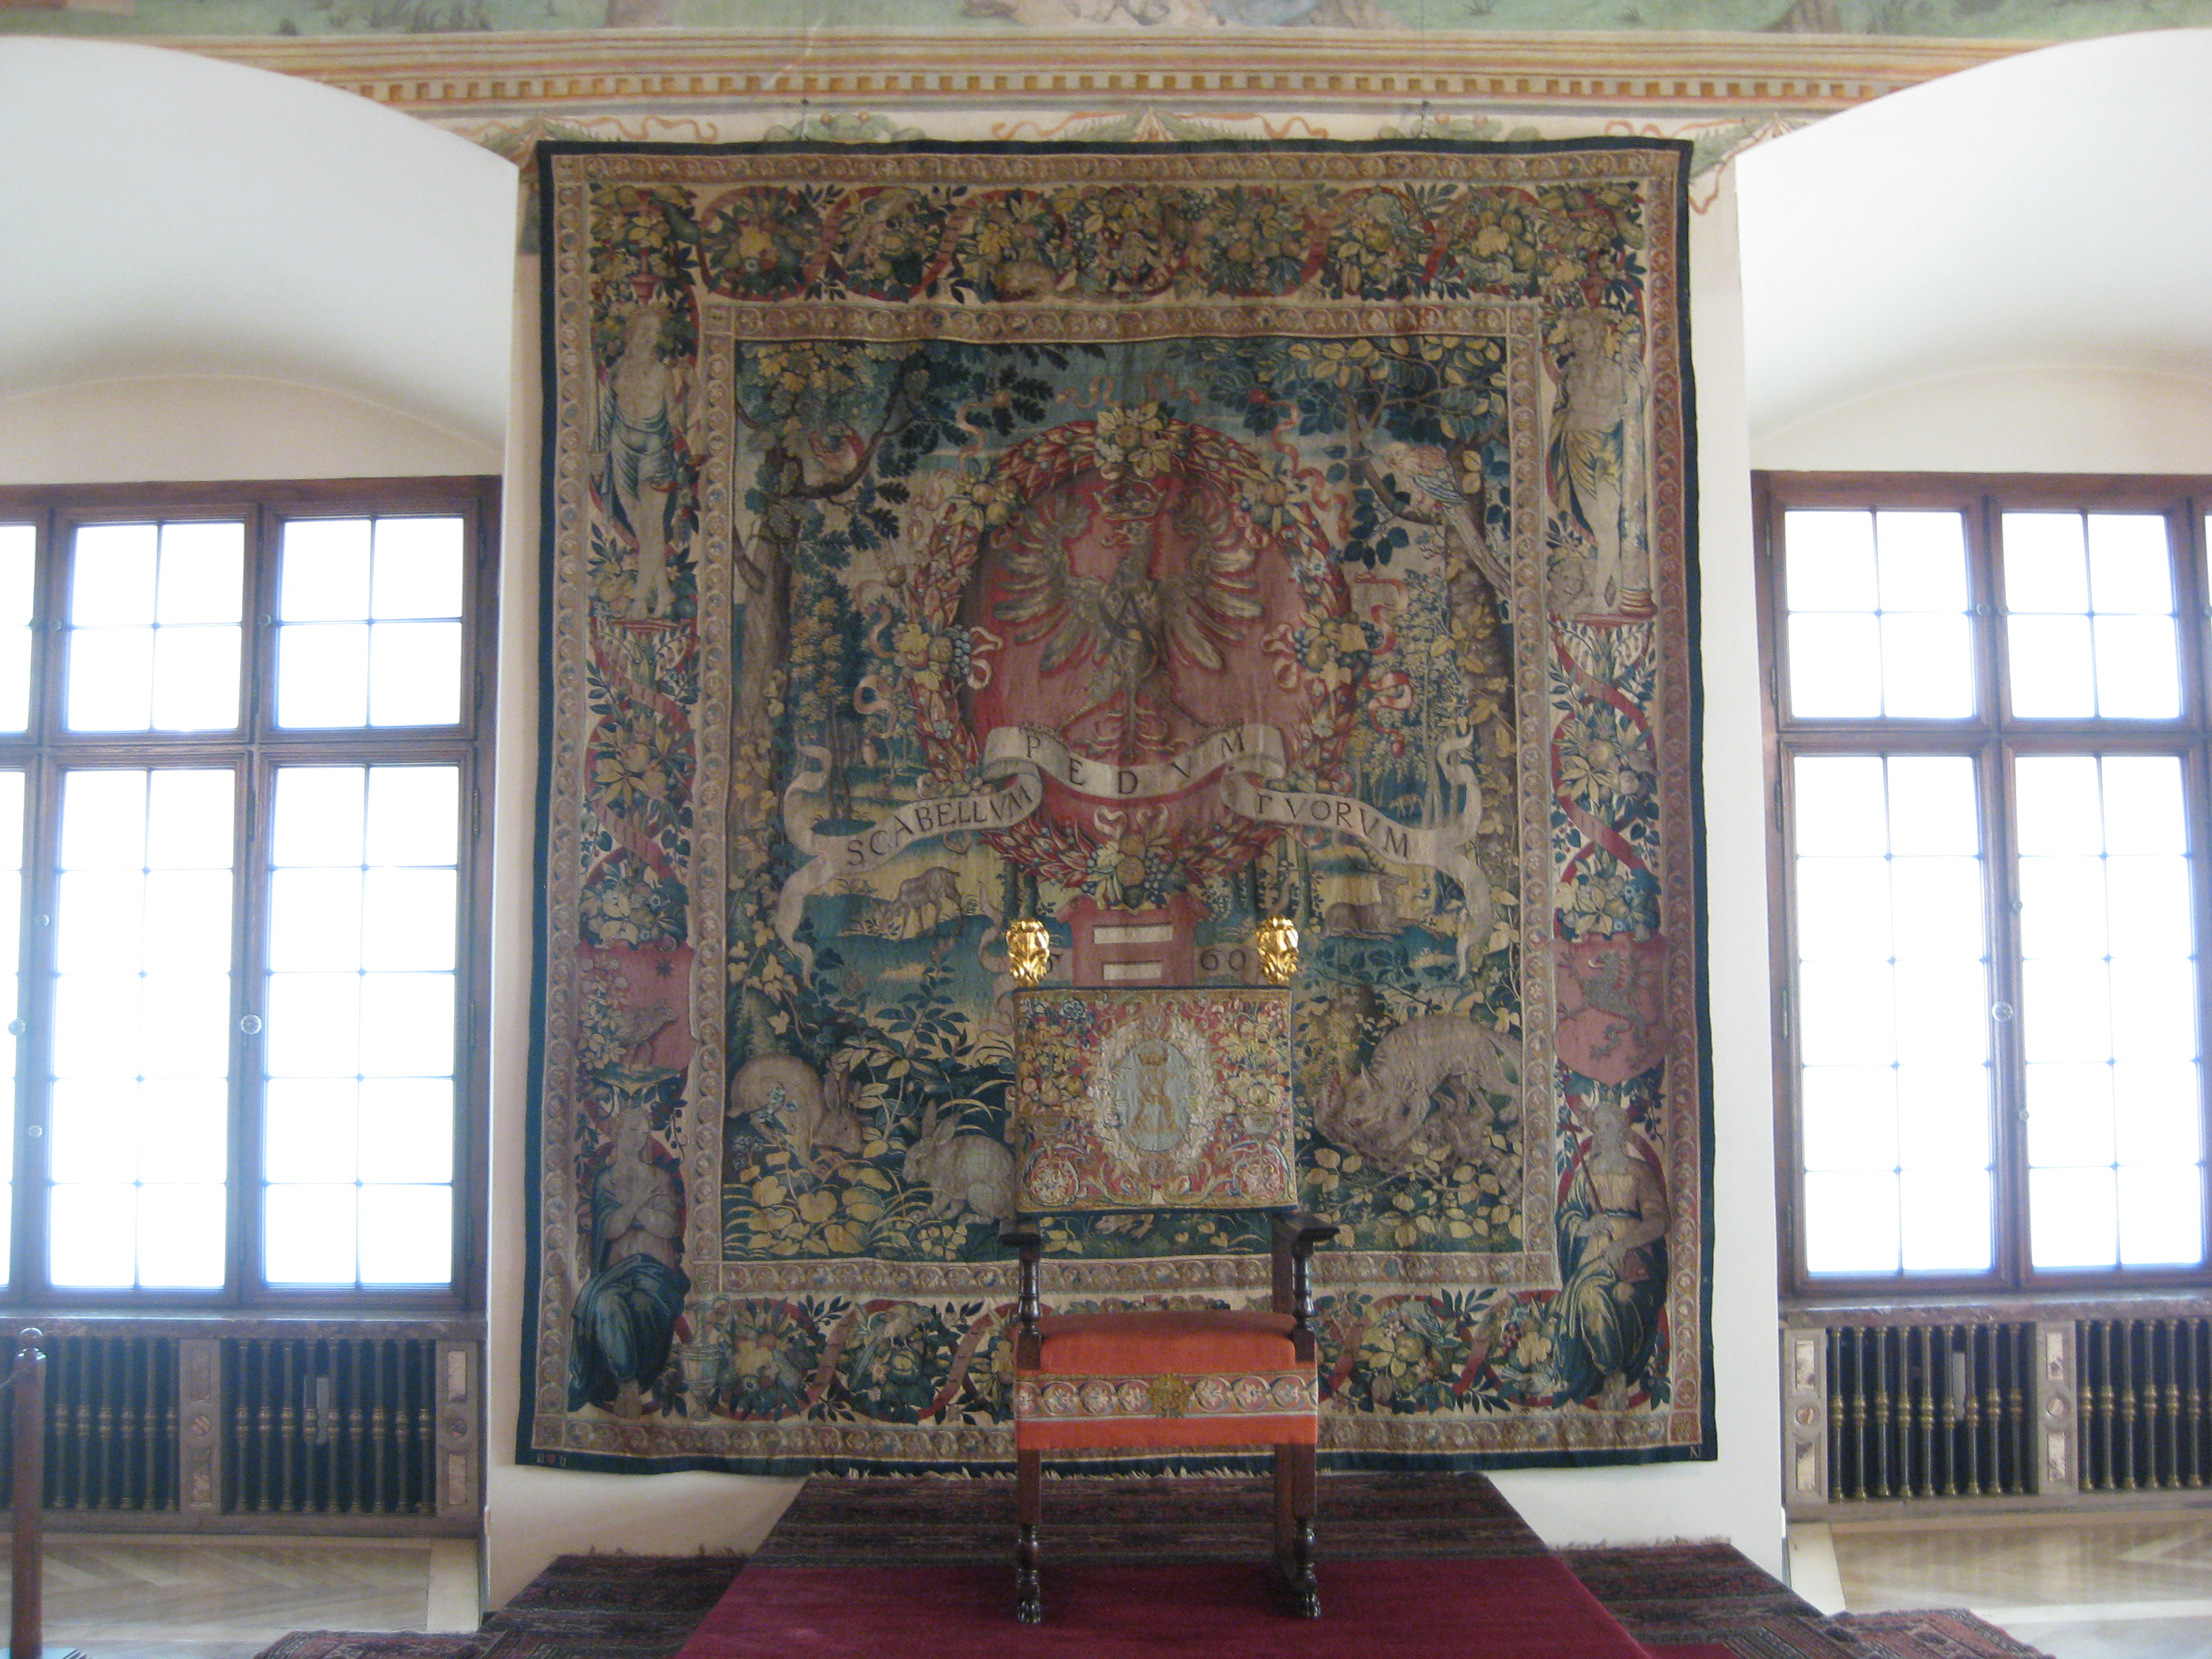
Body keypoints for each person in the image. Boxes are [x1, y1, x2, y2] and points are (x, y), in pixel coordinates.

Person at [567, 1107, 691, 1414]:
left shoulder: (659, 1178)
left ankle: (637, 1375)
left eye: (644, 1133)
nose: (640, 1138)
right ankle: (627, 1383)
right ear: (618, 1133)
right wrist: (639, 1203)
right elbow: (610, 1229)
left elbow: (668, 1227)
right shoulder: (605, 1181)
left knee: (641, 1305)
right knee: (604, 1303)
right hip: (615, 1275)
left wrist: (630, 1213)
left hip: (656, 1275)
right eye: (633, 1130)